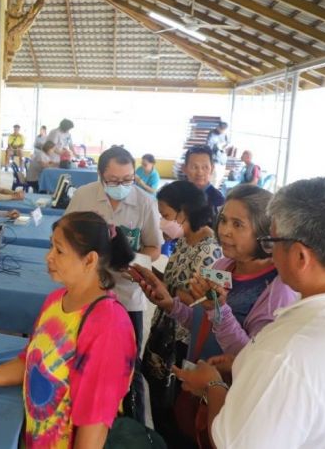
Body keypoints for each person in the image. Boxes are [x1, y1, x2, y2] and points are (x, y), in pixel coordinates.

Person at [172, 178, 325, 449]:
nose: (270, 253)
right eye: (224, 221)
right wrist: (245, 362)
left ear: (300, 257)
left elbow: (231, 443)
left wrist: (213, 387)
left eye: (271, 241)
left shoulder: (285, 353)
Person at [0, 212, 137, 448]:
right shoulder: (56, 301)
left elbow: (94, 425)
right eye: (50, 246)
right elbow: (30, 362)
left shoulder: (108, 324)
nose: (48, 257)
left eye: (59, 250)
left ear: (89, 260)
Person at [134, 185, 297, 446]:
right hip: (196, 381)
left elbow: (250, 359)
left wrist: (218, 309)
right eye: (223, 220)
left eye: (238, 224)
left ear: (265, 234)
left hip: (229, 402)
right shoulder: (222, 266)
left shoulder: (276, 289)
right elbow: (200, 321)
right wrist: (170, 304)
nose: (224, 230)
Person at [66, 145, 163, 423]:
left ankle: (130, 421)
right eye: (114, 181)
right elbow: (66, 237)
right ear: (100, 176)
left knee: (128, 363)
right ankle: (83, 412)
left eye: (128, 180)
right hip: (86, 292)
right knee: (82, 354)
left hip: (127, 294)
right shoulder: (84, 197)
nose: (122, 186)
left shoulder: (145, 202)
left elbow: (154, 246)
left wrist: (135, 259)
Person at [141, 181, 221, 448]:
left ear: (184, 212)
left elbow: (207, 301)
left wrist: (168, 289)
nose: (163, 222)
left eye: (166, 215)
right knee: (158, 401)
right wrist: (151, 276)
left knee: (175, 409)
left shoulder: (213, 251)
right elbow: (175, 281)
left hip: (184, 341)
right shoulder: (184, 242)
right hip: (164, 328)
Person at [183, 145, 225, 213]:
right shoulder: (178, 194)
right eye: (194, 167)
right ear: (185, 169)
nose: (200, 172)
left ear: (212, 169)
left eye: (205, 167)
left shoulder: (218, 200)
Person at [206, 122, 229, 188]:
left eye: (224, 130)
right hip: (215, 160)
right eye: (221, 129)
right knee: (214, 179)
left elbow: (227, 143)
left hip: (222, 160)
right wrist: (217, 146)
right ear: (218, 127)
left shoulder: (225, 135)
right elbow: (208, 146)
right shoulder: (212, 134)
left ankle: (214, 194)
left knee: (219, 180)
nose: (222, 131)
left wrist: (225, 147)